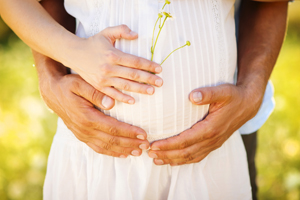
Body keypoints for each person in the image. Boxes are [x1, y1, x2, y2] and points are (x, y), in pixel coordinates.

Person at [0, 0, 288, 199]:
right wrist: (57, 71)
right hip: (95, 160)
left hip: (214, 152)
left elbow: (270, 3)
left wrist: (252, 93)